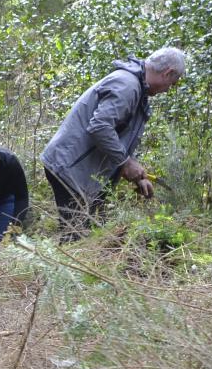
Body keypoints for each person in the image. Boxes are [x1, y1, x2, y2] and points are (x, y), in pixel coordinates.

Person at [40, 47, 187, 239]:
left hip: (81, 171)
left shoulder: (136, 88)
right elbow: (100, 127)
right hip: (70, 168)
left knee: (93, 235)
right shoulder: (127, 85)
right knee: (77, 239)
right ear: (167, 73)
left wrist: (136, 174)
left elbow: (119, 136)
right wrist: (125, 162)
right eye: (172, 84)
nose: (168, 90)